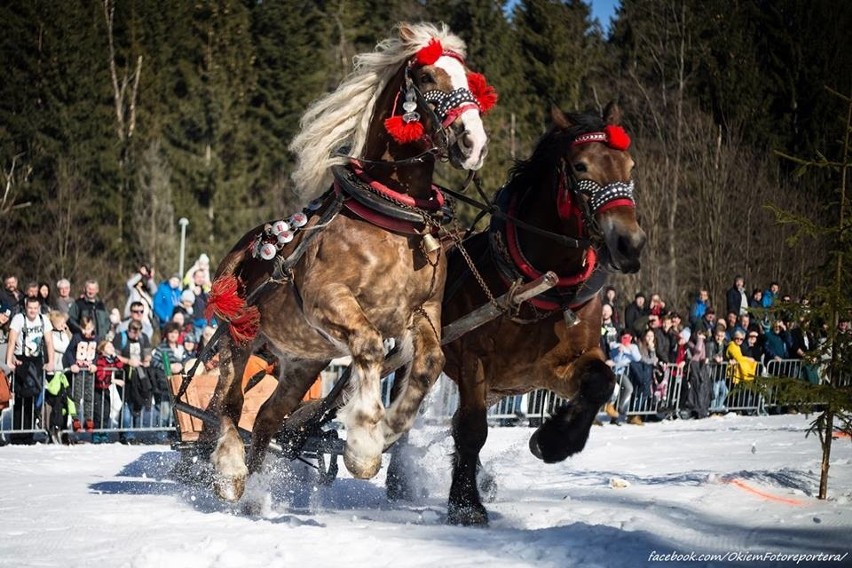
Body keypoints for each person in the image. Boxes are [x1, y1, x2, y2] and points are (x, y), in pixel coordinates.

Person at [5, 296, 55, 444]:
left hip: (36, 360)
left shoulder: (43, 319)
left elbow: (49, 341)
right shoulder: (19, 319)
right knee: (21, 397)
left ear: (38, 308)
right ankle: (17, 434)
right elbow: (12, 340)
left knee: (33, 397)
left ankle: (28, 434)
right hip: (22, 359)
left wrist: (51, 361)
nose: (32, 311)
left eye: (35, 308)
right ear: (26, 308)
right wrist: (9, 360)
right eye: (30, 308)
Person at [113, 320, 154, 444]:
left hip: (140, 377)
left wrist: (147, 359)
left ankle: (135, 432)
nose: (136, 336)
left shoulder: (143, 338)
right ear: (129, 330)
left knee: (137, 404)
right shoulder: (121, 337)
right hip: (124, 375)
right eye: (133, 333)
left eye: (138, 333)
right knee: (126, 403)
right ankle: (127, 434)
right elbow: (114, 355)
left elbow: (148, 354)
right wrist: (128, 361)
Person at [63, 315, 99, 434]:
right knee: (77, 396)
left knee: (89, 396)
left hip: (89, 372)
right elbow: (69, 351)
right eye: (84, 329)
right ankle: (76, 419)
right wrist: (73, 364)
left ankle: (88, 419)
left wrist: (94, 363)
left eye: (88, 328)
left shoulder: (96, 339)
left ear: (92, 327)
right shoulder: (77, 337)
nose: (86, 331)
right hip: (78, 371)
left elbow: (98, 353)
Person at [150, 322, 185, 432]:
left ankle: (173, 434)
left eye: (175, 332)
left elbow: (188, 360)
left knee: (176, 411)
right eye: (170, 332)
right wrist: (168, 367)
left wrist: (181, 366)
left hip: (179, 384)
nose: (173, 335)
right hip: (165, 384)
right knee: (165, 411)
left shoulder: (182, 348)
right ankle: (162, 434)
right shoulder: (161, 348)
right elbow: (154, 362)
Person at [92, 339, 123, 442]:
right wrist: (114, 381)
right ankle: (96, 434)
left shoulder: (111, 359)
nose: (112, 349)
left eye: (112, 347)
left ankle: (104, 433)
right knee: (98, 413)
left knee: (106, 411)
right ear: (102, 349)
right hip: (98, 389)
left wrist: (114, 356)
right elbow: (100, 376)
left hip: (106, 389)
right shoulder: (101, 359)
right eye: (109, 347)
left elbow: (120, 366)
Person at [606, 330, 639, 425]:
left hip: (621, 373)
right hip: (612, 372)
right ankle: (610, 412)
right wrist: (619, 351)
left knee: (629, 388)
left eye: (628, 338)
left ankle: (619, 408)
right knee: (613, 392)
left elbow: (637, 358)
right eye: (624, 337)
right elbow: (613, 356)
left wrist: (627, 350)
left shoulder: (633, 347)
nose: (625, 340)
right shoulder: (616, 346)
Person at [706, 326, 729, 414]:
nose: (719, 338)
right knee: (714, 393)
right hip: (714, 373)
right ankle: (712, 410)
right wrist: (714, 359)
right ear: (714, 335)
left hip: (721, 373)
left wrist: (728, 360)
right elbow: (708, 357)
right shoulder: (711, 344)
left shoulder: (725, 344)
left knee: (725, 391)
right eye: (718, 335)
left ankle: (717, 409)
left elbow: (725, 356)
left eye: (722, 336)